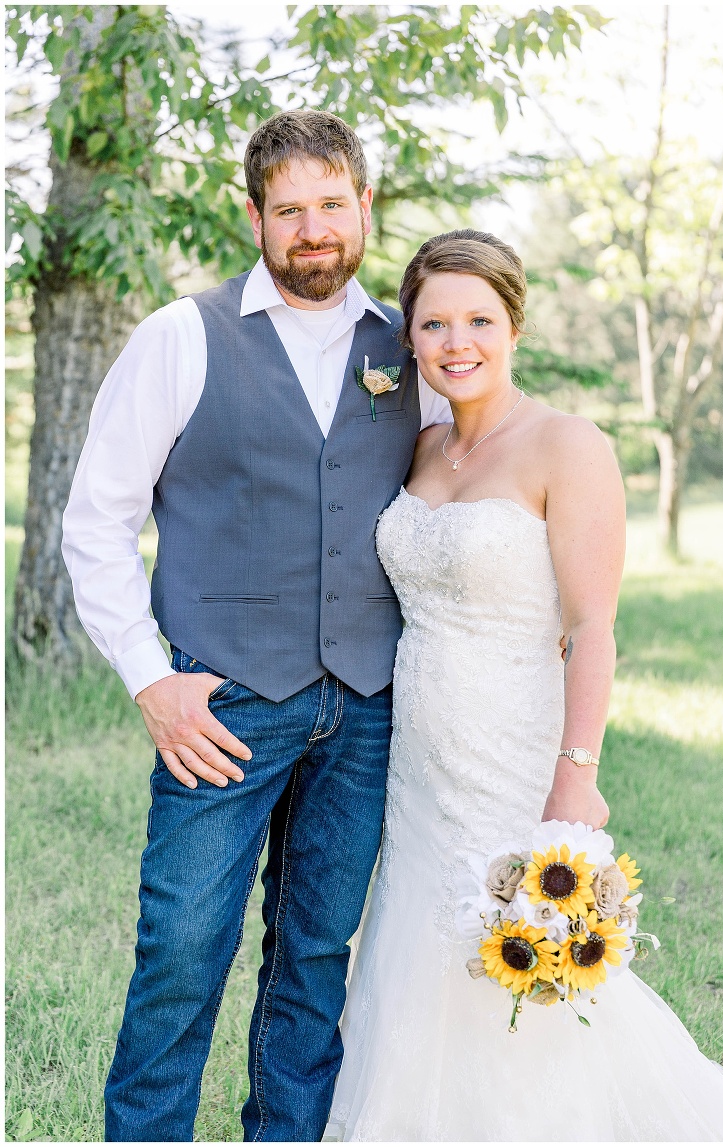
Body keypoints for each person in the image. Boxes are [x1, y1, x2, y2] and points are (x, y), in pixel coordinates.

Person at [61, 109, 451, 1142]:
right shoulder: (181, 337)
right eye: (290, 209)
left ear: (364, 205)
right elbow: (94, 522)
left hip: (365, 705)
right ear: (255, 216)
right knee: (183, 950)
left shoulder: (412, 348)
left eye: (332, 204)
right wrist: (152, 678)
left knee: (317, 955)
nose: (313, 229)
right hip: (220, 699)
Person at [327, 230, 723, 1142]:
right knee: (417, 937)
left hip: (515, 748)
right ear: (408, 338)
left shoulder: (568, 444)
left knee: (515, 936)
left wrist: (577, 770)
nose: (458, 341)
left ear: (513, 323)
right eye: (435, 322)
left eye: (479, 318)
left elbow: (594, 625)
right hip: (416, 756)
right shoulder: (418, 445)